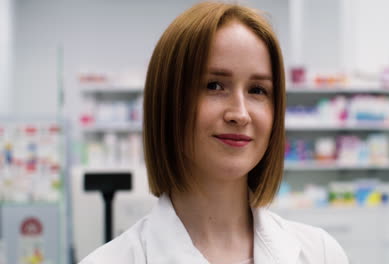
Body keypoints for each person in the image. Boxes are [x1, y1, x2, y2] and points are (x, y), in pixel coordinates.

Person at [80, 1, 348, 263]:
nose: (240, 114)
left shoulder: (320, 254)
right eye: (214, 86)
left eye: (257, 90)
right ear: (167, 102)